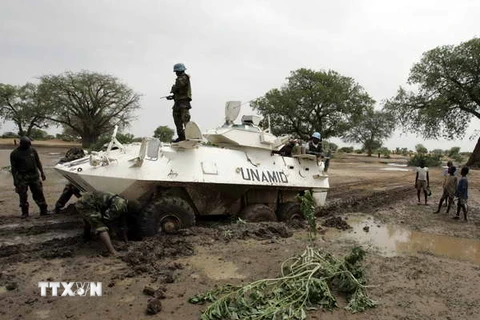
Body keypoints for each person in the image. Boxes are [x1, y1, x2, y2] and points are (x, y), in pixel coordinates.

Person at [76, 191, 139, 256]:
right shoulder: (119, 207)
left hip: (90, 201)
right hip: (85, 204)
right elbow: (105, 219)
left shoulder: (123, 203)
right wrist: (112, 232)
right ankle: (112, 251)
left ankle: (86, 237)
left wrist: (126, 241)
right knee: (101, 226)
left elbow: (123, 223)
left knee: (90, 219)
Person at [10, 136, 49, 218]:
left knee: (38, 192)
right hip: (22, 177)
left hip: (34, 175)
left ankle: (43, 210)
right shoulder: (14, 153)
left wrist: (42, 173)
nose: (28, 146)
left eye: (29, 144)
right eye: (27, 144)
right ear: (21, 144)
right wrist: (15, 181)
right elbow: (13, 169)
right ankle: (25, 212)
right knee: (23, 195)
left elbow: (38, 162)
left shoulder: (32, 150)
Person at [54, 147, 85, 214]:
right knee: (70, 189)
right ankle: (58, 207)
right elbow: (61, 162)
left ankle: (86, 204)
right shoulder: (78, 155)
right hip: (78, 177)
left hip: (82, 177)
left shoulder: (81, 156)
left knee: (72, 189)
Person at [167, 63, 192, 143]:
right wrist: (173, 97)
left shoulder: (184, 78)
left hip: (184, 103)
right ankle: (181, 137)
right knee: (177, 120)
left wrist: (173, 89)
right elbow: (179, 91)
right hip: (178, 103)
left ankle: (189, 137)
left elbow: (178, 86)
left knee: (185, 120)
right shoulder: (180, 78)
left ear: (180, 70)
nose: (176, 73)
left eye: (176, 71)